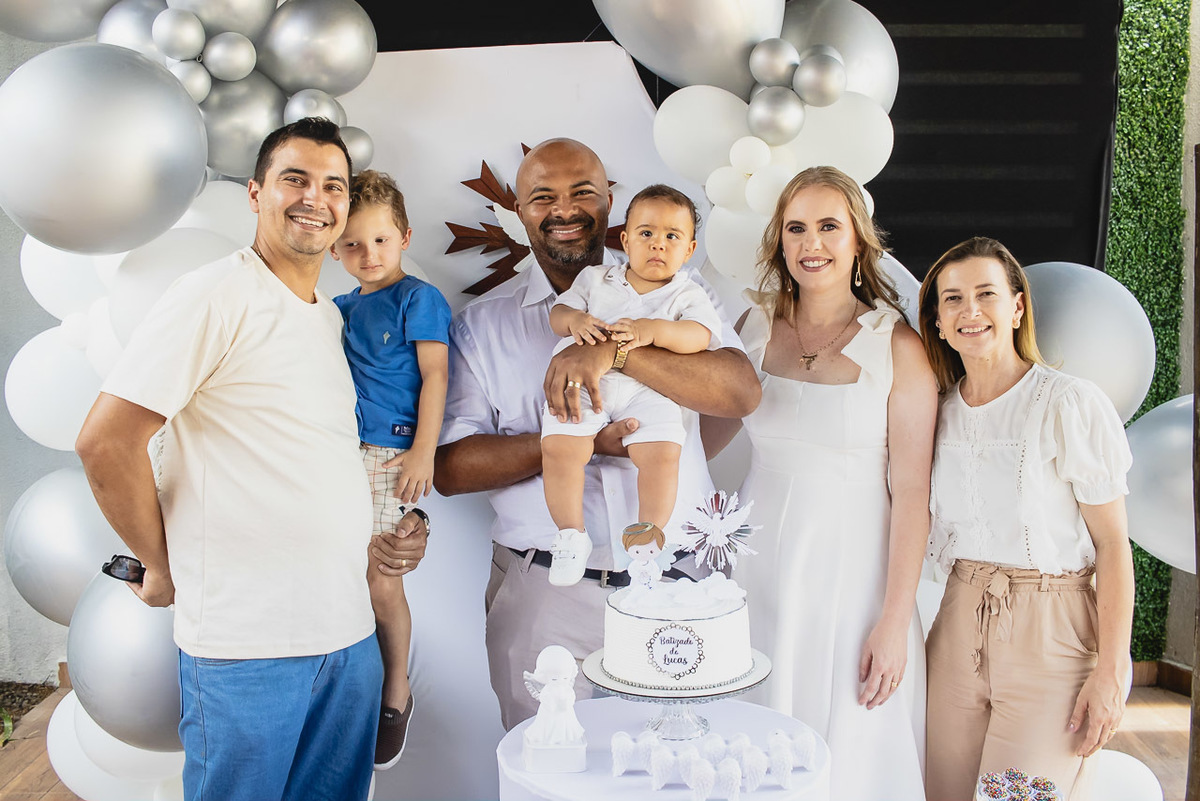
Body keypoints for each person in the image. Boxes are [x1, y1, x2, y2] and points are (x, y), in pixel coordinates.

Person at [74, 118, 428, 801]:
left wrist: (398, 529)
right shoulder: (215, 295)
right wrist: (164, 562)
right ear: (256, 192)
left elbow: (313, 455)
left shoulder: (327, 315)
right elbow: (106, 441)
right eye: (294, 179)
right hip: (248, 644)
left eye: (333, 185)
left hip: (347, 632)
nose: (314, 198)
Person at [434, 137, 761, 729]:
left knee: (681, 774)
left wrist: (612, 353)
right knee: (550, 775)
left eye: (582, 191)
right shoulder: (484, 326)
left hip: (675, 582)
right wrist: (579, 445)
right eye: (542, 197)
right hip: (544, 592)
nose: (564, 209)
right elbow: (451, 469)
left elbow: (739, 393)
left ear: (611, 205)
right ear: (520, 212)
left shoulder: (680, 297)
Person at [701, 165, 936, 800]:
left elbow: (914, 491)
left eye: (830, 227)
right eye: (796, 228)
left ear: (859, 240)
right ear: (778, 241)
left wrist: (893, 621)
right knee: (748, 736)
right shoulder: (750, 329)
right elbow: (703, 442)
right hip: (755, 569)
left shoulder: (900, 347)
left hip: (855, 578)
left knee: (850, 747)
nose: (813, 243)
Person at [917, 236, 1134, 800]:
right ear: (937, 320)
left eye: (987, 294)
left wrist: (1111, 671)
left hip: (1053, 632)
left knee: (1017, 797)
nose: (970, 311)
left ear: (1017, 307)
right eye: (953, 299)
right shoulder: (935, 415)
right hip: (958, 626)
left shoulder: (1068, 404)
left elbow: (1113, 543)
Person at [329, 169, 451, 769]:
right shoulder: (338, 307)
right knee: (335, 573)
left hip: (391, 453)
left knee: (382, 576)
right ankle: (346, 689)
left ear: (404, 236)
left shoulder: (418, 298)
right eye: (352, 244)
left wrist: (424, 450)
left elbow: (436, 377)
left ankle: (395, 693)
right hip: (335, 452)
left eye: (379, 240)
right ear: (334, 248)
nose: (367, 254)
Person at [542, 184, 722, 585]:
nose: (658, 245)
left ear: (689, 250)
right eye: (646, 233)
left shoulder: (686, 293)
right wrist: (573, 321)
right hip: (588, 385)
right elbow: (558, 312)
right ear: (625, 240)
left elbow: (700, 336)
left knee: (661, 455)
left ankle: (647, 543)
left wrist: (654, 330)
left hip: (650, 391)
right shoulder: (595, 278)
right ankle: (571, 535)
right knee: (559, 449)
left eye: (672, 237)